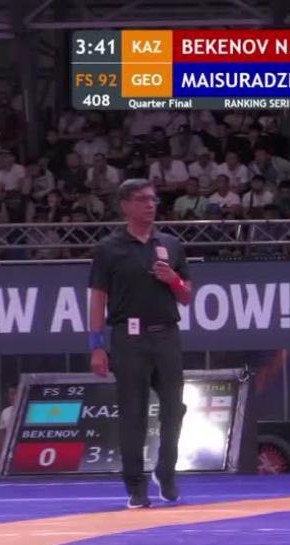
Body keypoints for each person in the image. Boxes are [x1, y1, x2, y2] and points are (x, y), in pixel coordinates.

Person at [88, 179, 192, 508]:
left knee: (175, 408)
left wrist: (173, 280)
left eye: (153, 199)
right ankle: (136, 485)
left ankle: (166, 472)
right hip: (128, 338)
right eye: (143, 199)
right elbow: (97, 297)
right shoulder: (109, 248)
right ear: (125, 205)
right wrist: (96, 345)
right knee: (133, 413)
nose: (150, 205)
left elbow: (187, 296)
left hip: (166, 336)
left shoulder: (171, 244)